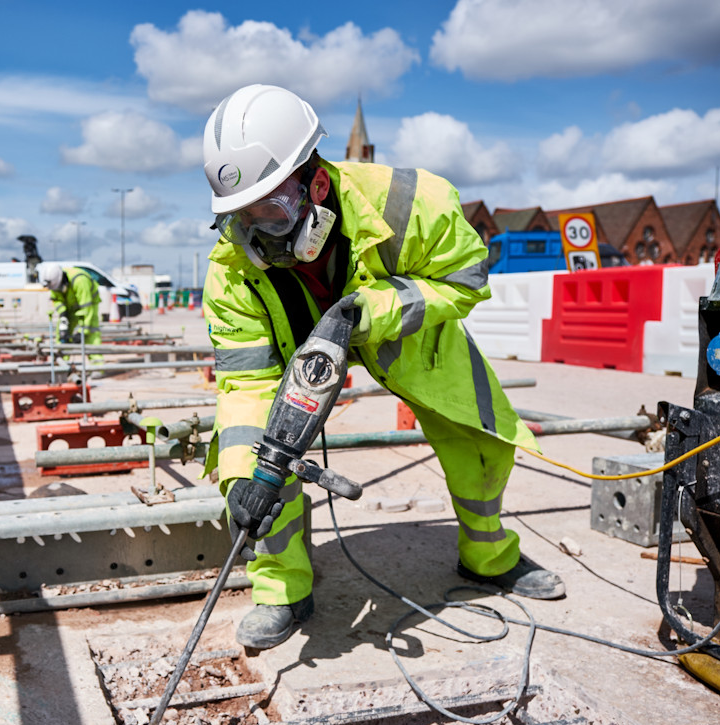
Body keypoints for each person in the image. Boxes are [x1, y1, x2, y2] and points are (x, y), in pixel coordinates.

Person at [199, 84, 565, 651]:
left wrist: (377, 312)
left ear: (315, 182)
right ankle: (281, 592)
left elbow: (466, 278)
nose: (256, 228)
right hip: (296, 350)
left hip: (405, 331)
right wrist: (251, 473)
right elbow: (245, 380)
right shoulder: (230, 268)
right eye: (241, 213)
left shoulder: (411, 202)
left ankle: (488, 557)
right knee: (256, 471)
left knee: (482, 442)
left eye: (270, 207)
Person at [38, 262, 103, 361]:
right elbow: (57, 299)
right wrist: (63, 315)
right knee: (62, 333)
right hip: (70, 306)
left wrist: (82, 332)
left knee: (91, 333)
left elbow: (87, 309)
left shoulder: (80, 280)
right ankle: (62, 361)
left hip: (88, 305)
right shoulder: (54, 282)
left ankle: (97, 365)